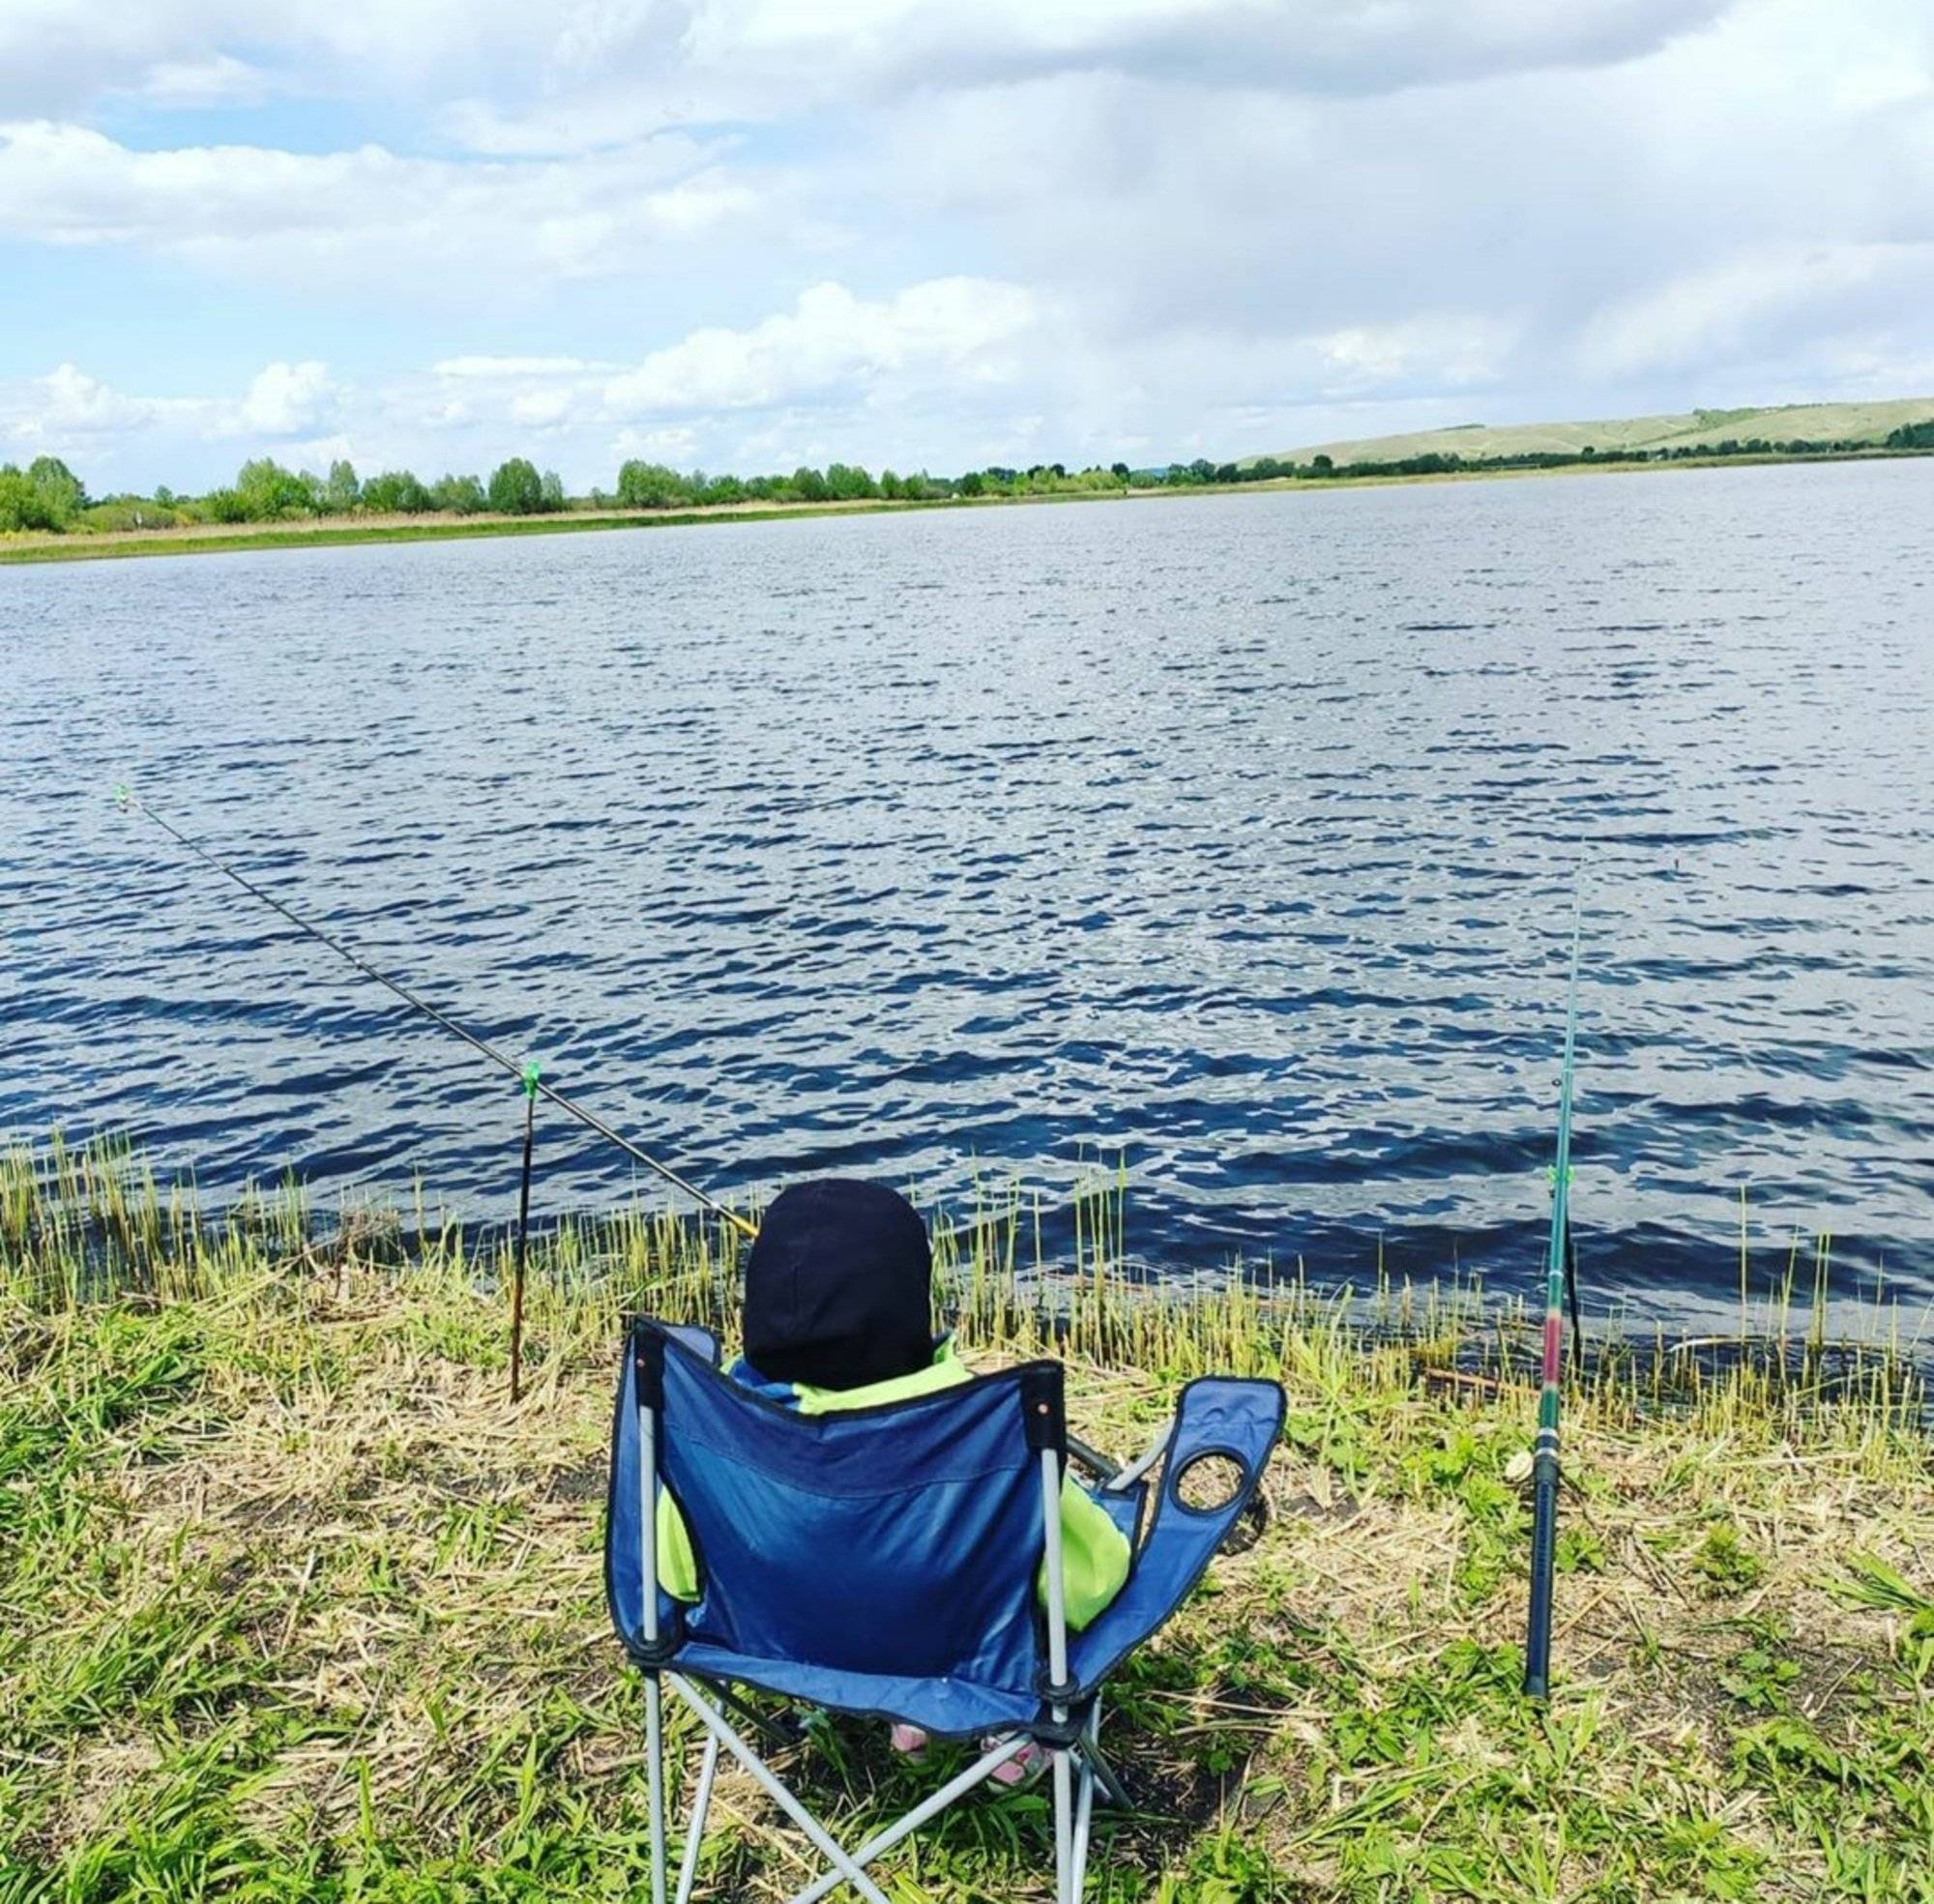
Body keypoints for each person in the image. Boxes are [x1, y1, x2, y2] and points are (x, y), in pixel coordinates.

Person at [654, 1176, 1131, 1781]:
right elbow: (1093, 1582)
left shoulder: (719, 1422)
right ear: (909, 1302)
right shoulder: (983, 1429)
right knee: (1020, 1595)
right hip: (966, 1661)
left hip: (781, 1649)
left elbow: (676, 1574)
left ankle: (898, 1705)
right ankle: (994, 1731)